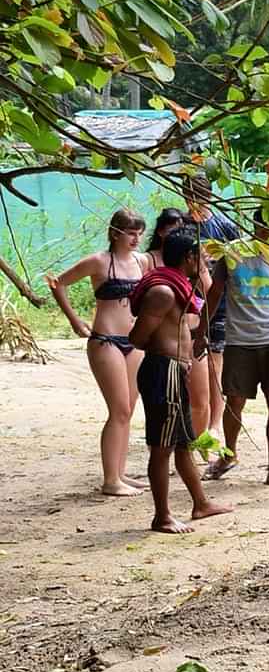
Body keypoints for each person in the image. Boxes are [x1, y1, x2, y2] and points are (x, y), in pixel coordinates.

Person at [127, 226, 233, 533]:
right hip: (163, 372)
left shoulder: (179, 286)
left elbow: (203, 309)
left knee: (185, 444)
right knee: (162, 447)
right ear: (188, 257)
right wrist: (169, 353)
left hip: (174, 371)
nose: (203, 264)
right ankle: (162, 516)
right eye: (200, 258)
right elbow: (137, 337)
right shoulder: (163, 292)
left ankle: (200, 503)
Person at [45, 209, 150, 496]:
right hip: (106, 340)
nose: (135, 239)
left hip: (135, 342)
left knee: (127, 410)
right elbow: (58, 283)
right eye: (130, 233)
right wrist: (75, 320)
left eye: (139, 233)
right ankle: (110, 480)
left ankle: (120, 472)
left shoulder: (142, 262)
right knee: (118, 409)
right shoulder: (99, 261)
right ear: (115, 233)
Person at [204, 208, 269, 489]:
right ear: (258, 224)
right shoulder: (232, 252)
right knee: (234, 403)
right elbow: (216, 290)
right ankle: (229, 456)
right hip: (239, 340)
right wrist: (200, 330)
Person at [148, 208, 213, 442]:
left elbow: (209, 290)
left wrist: (200, 266)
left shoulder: (195, 268)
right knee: (169, 405)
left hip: (192, 338)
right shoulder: (156, 270)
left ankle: (195, 445)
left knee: (200, 398)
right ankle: (174, 448)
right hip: (168, 347)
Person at [183, 173, 241, 435]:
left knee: (214, 365)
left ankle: (215, 424)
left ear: (209, 196)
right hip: (186, 302)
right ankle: (191, 420)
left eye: (200, 197)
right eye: (190, 196)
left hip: (219, 301)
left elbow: (239, 261)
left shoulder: (224, 226)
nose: (195, 202)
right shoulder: (180, 226)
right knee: (188, 364)